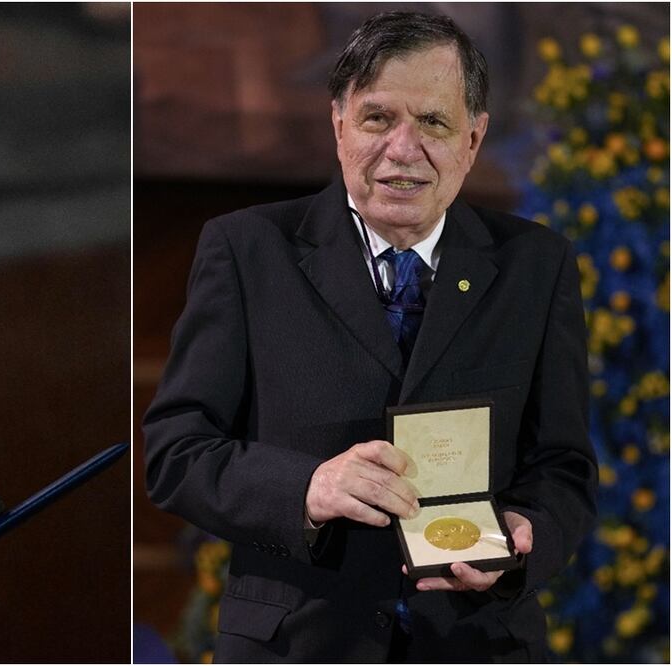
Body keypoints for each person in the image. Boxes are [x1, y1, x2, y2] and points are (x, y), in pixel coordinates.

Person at [143, 11, 597, 663]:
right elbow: (176, 452)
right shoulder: (246, 249)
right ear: (338, 125)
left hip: (477, 642)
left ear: (473, 140)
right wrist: (306, 488)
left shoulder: (536, 265)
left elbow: (563, 465)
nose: (402, 149)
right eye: (377, 118)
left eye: (433, 123)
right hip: (300, 643)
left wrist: (529, 531)